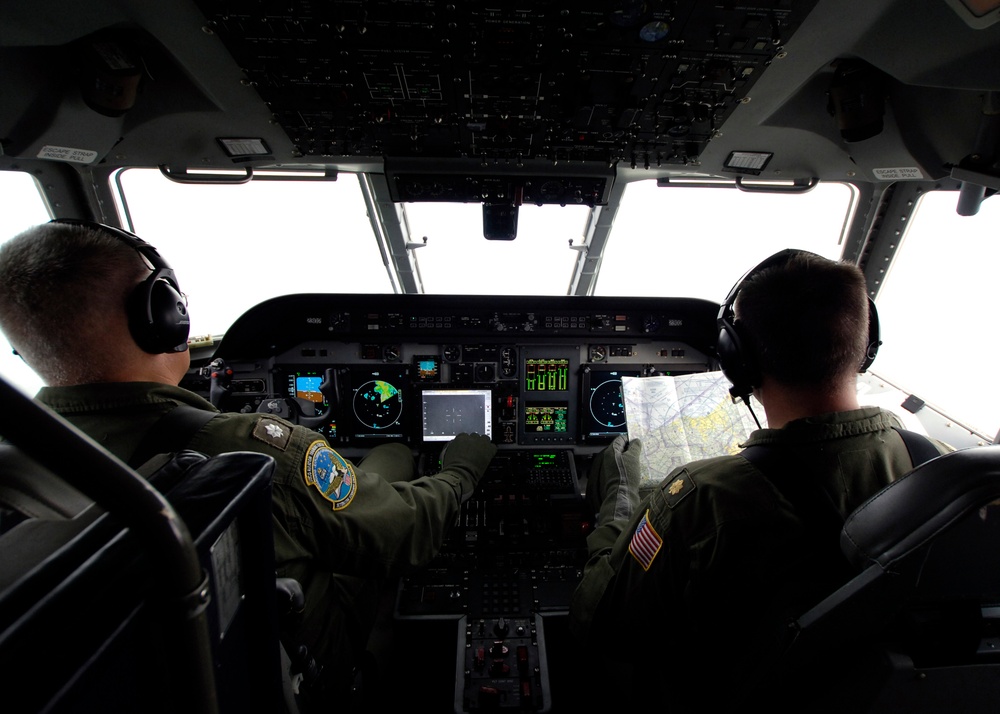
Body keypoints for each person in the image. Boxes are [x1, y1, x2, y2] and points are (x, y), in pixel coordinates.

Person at [0, 218, 497, 706]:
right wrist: (461, 470)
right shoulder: (250, 448)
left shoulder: (15, 469)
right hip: (297, 669)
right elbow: (407, 532)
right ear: (163, 314)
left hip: (181, 677)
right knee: (388, 477)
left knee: (389, 454)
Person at [568, 249, 953, 712]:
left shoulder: (700, 497)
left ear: (738, 359)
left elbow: (598, 620)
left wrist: (621, 502)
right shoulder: (938, 471)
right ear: (864, 345)